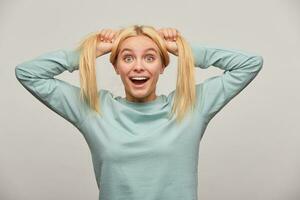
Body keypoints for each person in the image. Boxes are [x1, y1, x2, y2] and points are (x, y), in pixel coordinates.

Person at [15, 24, 263, 200]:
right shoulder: (93, 109)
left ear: (163, 66)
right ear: (116, 66)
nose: (138, 67)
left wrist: (183, 49)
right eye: (127, 58)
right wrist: (92, 51)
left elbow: (250, 64)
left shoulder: (191, 105)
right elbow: (28, 73)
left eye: (150, 57)